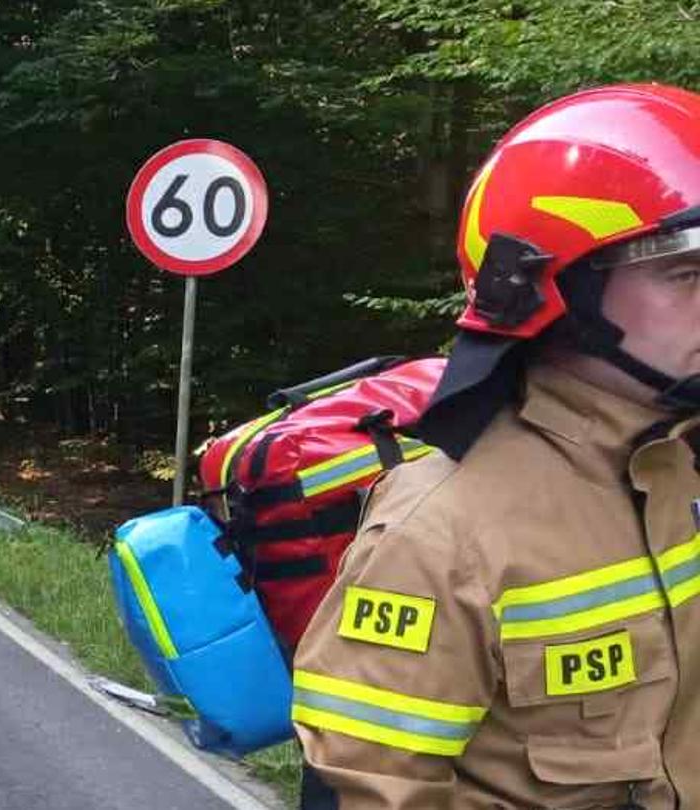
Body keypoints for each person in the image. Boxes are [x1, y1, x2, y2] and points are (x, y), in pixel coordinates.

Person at [290, 84, 700, 808]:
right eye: (687, 274)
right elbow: (372, 790)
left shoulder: (678, 463)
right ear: (561, 290)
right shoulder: (437, 533)